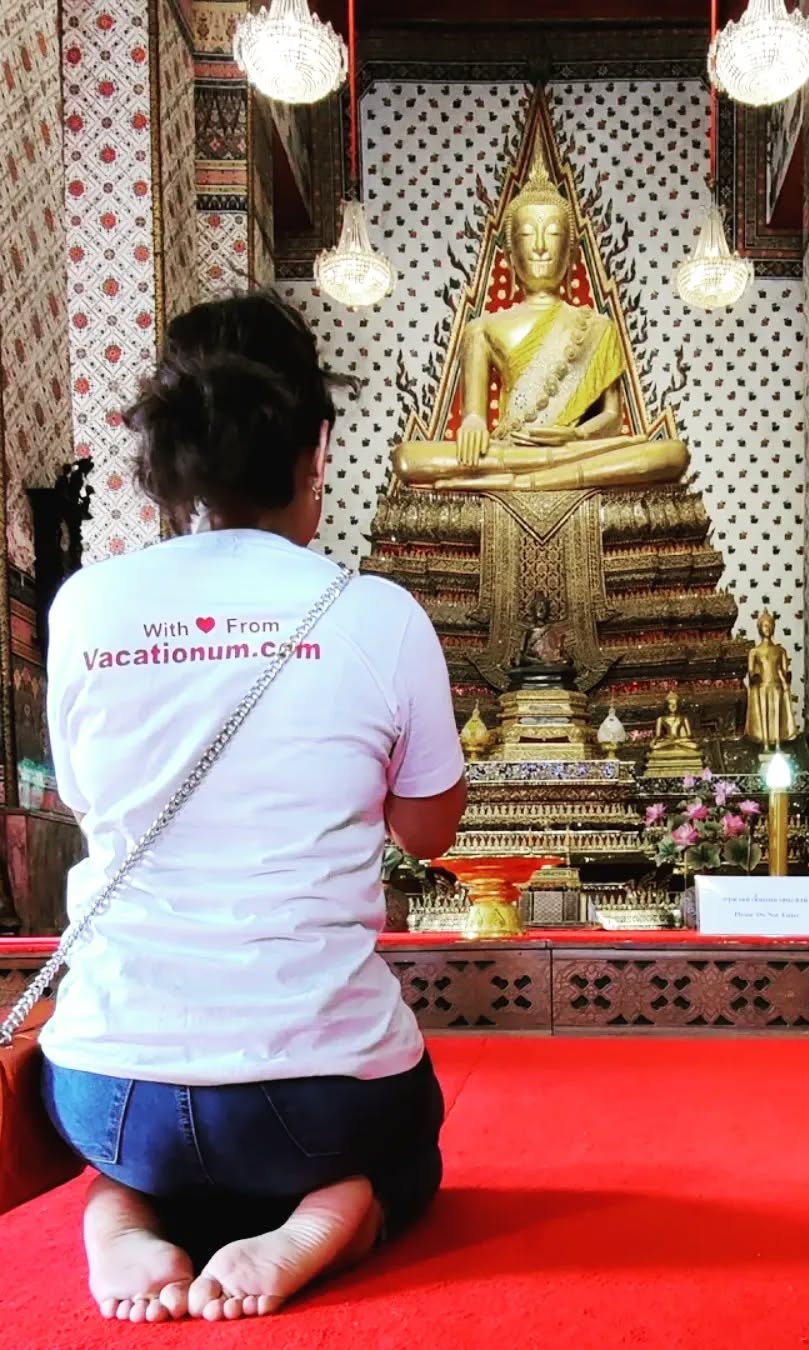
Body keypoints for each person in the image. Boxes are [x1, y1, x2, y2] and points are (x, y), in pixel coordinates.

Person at [40, 291, 467, 1324]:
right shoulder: (377, 614)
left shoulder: (83, 606)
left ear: (168, 450)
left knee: (136, 1146)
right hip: (323, 1093)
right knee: (414, 1139)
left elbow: (87, 799)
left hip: (112, 1083)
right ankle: (341, 1206)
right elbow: (430, 832)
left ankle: (123, 1213)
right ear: (318, 445)